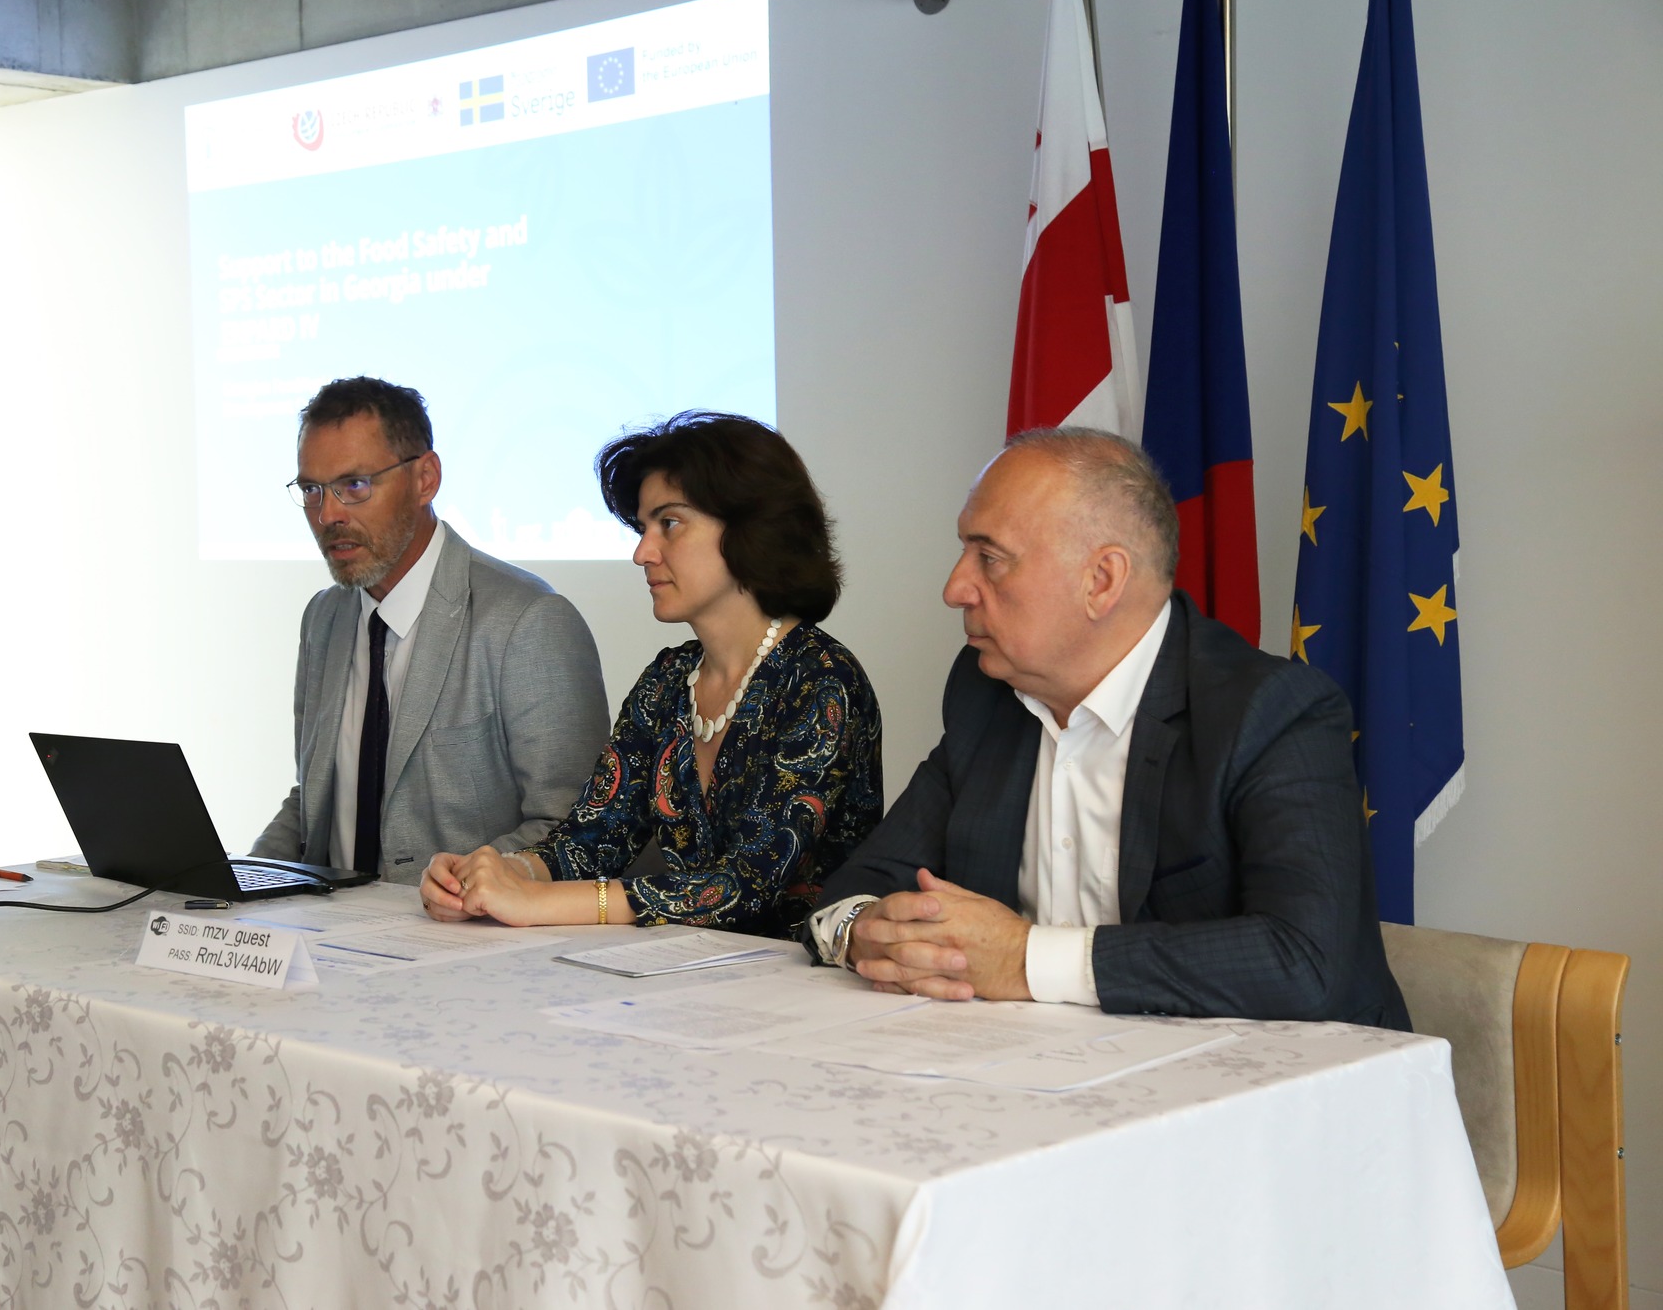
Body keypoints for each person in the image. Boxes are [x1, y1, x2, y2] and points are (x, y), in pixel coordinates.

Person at [807, 426, 1409, 1027]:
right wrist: (861, 933)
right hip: (1045, 1062)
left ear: (1101, 581)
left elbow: (1305, 963)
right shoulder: (987, 694)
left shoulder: (1270, 711)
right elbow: (863, 882)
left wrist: (1025, 958)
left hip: (1280, 1074)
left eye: (990, 558)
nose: (955, 589)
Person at [421, 412, 883, 937]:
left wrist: (536, 902)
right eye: (643, 528)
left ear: (753, 528)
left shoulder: (822, 680)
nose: (642, 552)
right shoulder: (668, 680)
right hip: (687, 967)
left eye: (670, 524)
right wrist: (493, 874)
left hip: (801, 974)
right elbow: (594, 839)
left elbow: (747, 886)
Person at [249, 377, 610, 885]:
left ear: (425, 479)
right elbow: (315, 802)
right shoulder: (323, 618)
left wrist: (456, 887)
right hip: (329, 926)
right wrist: (240, 881)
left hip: (464, 929)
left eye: (355, 485)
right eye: (312, 490)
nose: (328, 514)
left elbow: (578, 832)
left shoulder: (530, 620)